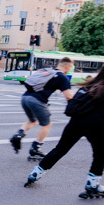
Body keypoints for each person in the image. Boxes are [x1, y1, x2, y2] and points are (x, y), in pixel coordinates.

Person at [24, 66, 104, 197]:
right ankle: (92, 185)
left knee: (60, 149)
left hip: (75, 122)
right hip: (96, 125)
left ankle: (35, 173)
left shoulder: (88, 87)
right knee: (100, 153)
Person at [10, 57, 74, 159]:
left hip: (25, 98)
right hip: (37, 100)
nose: (70, 69)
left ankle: (19, 134)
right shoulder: (62, 77)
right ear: (67, 66)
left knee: (33, 120)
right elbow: (69, 96)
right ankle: (35, 148)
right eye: (71, 67)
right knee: (46, 125)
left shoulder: (48, 71)